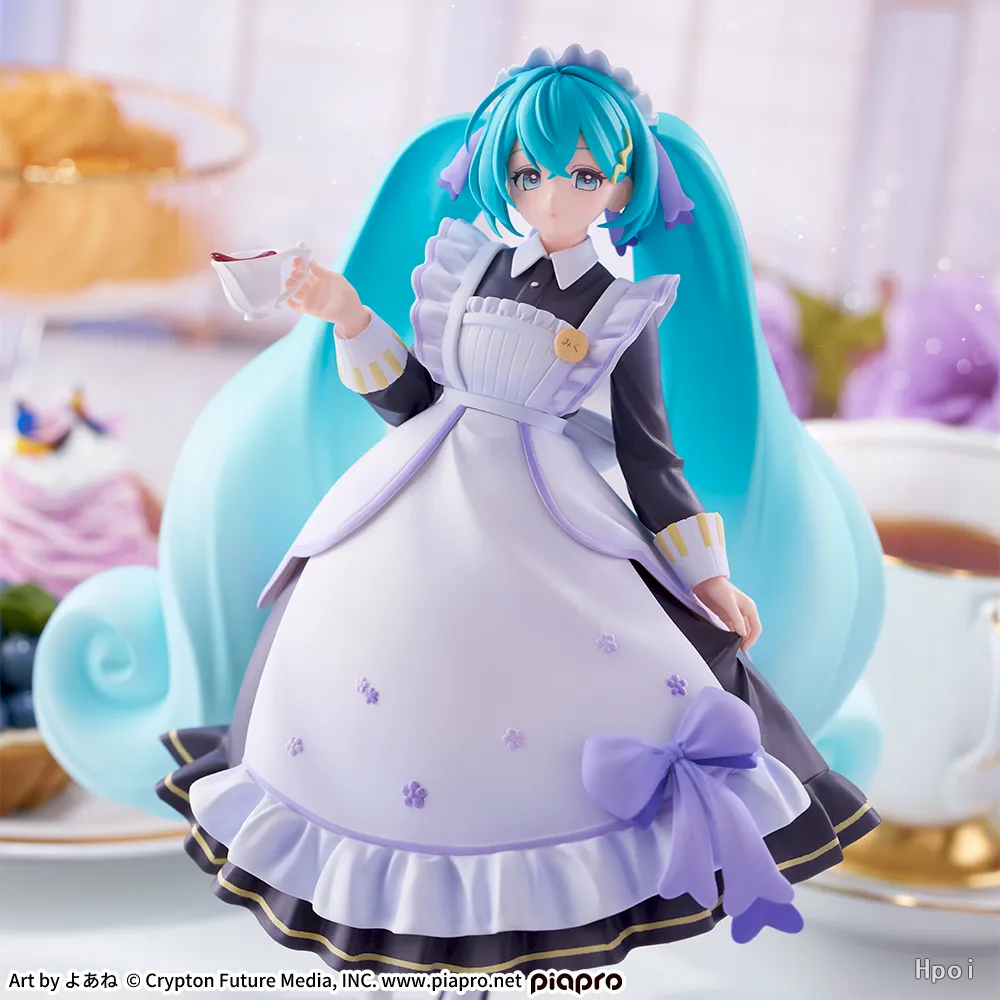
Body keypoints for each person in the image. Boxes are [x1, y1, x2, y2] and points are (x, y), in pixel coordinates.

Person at [36, 45, 883, 992]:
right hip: (412, 496)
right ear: (503, 176)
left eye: (583, 176)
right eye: (530, 174)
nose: (553, 197)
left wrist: (707, 575)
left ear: (621, 184)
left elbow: (651, 457)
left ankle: (505, 899)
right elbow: (412, 400)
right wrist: (347, 314)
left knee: (545, 695)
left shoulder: (623, 309)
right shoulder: (471, 268)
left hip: (545, 522)